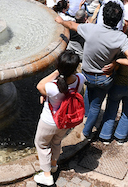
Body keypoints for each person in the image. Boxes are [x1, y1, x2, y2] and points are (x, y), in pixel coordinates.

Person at [54, 2, 128, 140]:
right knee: (96, 105)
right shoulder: (121, 38)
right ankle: (86, 132)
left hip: (87, 75)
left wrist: (61, 21)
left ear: (103, 16)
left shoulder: (90, 29)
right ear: (118, 20)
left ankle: (84, 118)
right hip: (104, 78)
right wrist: (116, 61)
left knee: (88, 94)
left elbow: (71, 25)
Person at [33, 50, 85, 186]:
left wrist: (57, 71)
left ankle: (47, 175)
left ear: (59, 66)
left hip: (49, 121)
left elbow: (39, 86)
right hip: (66, 120)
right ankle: (54, 165)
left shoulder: (52, 87)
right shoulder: (80, 79)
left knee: (42, 144)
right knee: (56, 142)